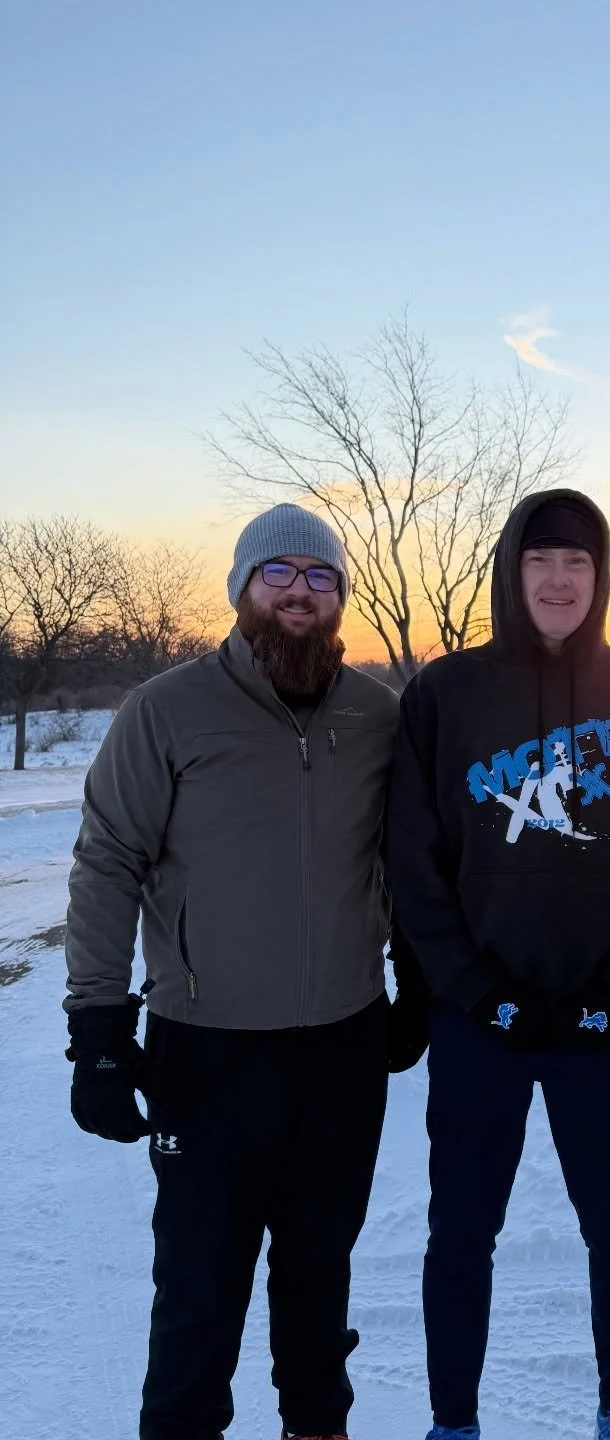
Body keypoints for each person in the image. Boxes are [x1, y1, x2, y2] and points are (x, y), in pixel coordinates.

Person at [64, 502, 427, 1440]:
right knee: (198, 1290)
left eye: (320, 578)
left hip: (343, 1050)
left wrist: (412, 982)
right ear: (242, 589)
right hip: (208, 1051)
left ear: (341, 599)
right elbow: (109, 859)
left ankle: (319, 1426)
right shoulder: (168, 710)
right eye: (280, 574)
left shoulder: (377, 714)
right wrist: (98, 1028)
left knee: (319, 1279)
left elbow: (411, 861)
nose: (300, 593)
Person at [386, 489, 610, 1440]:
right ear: (512, 573)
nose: (560, 580)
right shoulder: (447, 691)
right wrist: (472, 993)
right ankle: (454, 1422)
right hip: (480, 1022)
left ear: (600, 577)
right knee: (462, 1230)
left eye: (579, 562)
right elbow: (412, 860)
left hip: (598, 1020)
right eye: (540, 561)